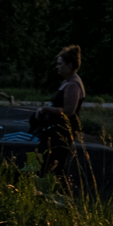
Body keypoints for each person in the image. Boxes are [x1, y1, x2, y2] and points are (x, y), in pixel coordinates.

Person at [31, 45, 86, 187]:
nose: (57, 67)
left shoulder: (73, 84)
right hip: (55, 129)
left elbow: (69, 110)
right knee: (47, 162)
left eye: (60, 64)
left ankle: (63, 200)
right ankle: (47, 194)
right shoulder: (66, 82)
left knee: (55, 165)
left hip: (63, 130)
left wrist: (46, 109)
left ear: (69, 65)